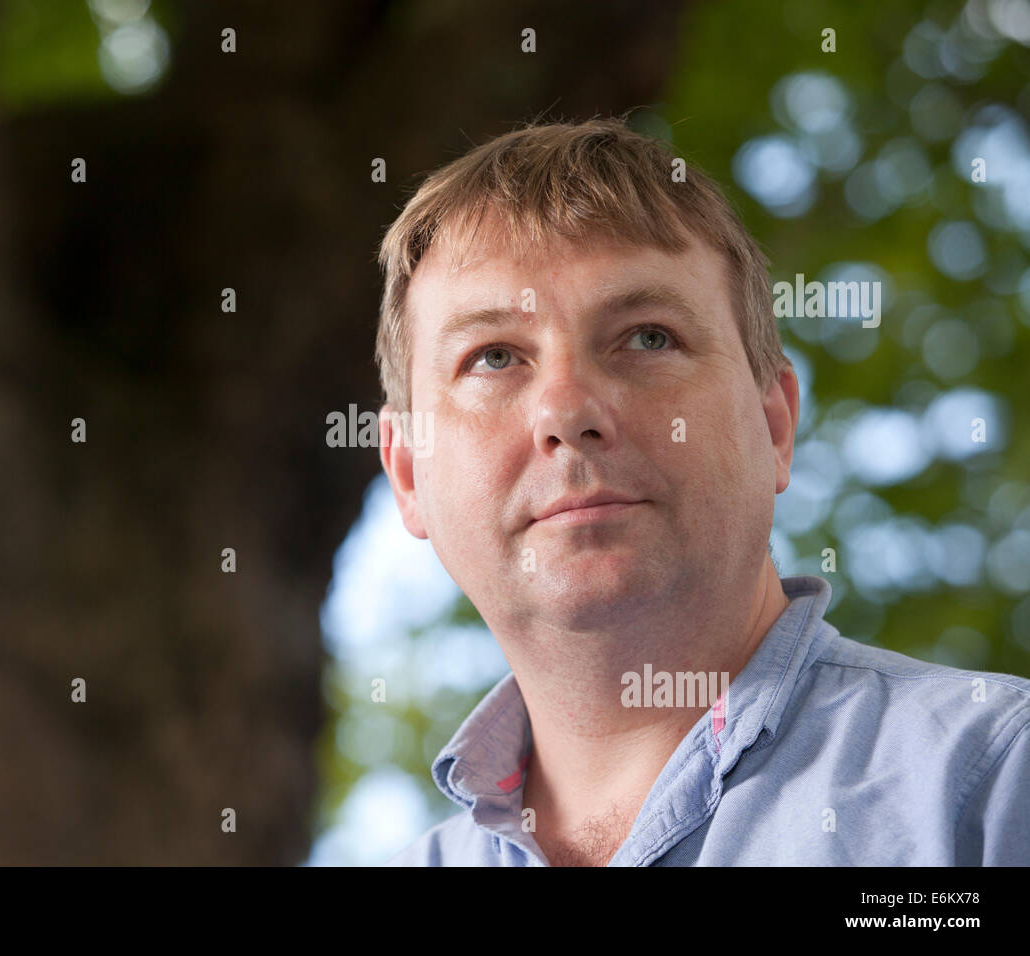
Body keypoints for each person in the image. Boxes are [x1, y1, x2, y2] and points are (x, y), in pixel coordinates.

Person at [373, 117, 1030, 866]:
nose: (568, 412)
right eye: (493, 357)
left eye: (648, 337)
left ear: (774, 424)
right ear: (408, 474)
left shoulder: (993, 786)